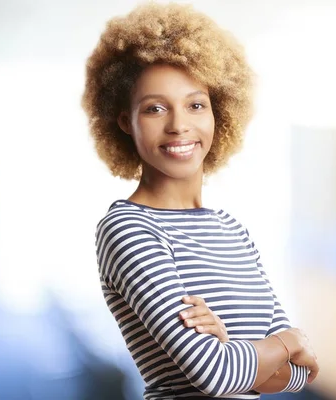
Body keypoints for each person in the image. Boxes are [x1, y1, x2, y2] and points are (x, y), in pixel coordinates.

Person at [81, 3, 319, 399]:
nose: (179, 125)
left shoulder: (232, 230)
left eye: (196, 104)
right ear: (126, 121)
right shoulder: (127, 228)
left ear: (218, 113)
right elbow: (216, 376)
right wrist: (285, 343)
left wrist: (234, 354)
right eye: (155, 108)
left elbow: (299, 375)